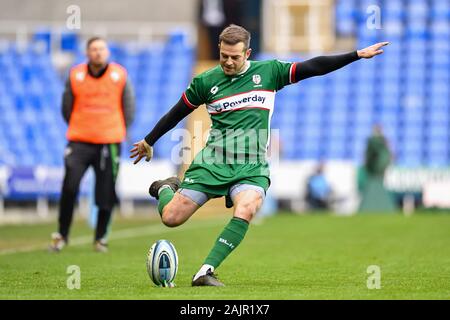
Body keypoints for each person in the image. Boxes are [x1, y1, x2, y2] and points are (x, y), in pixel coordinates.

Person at [130, 24, 388, 286]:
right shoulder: (205, 82)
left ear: (248, 53)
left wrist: (355, 54)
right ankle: (165, 187)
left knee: (248, 206)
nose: (228, 62)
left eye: (235, 57)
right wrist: (149, 140)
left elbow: (313, 67)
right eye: (224, 56)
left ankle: (205, 271)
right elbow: (177, 113)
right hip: (214, 161)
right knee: (171, 218)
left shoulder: (269, 72)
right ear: (219, 50)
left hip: (251, 165)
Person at [49, 37, 135, 252]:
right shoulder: (75, 75)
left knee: (105, 192)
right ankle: (62, 235)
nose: (98, 53)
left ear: (107, 52)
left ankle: (100, 238)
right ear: (87, 53)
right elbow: (66, 107)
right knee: (70, 187)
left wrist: (116, 130)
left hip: (109, 142)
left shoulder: (120, 75)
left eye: (102, 49)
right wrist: (80, 126)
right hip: (79, 141)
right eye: (94, 49)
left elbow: (129, 108)